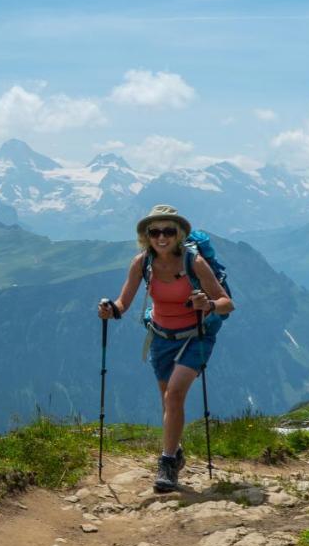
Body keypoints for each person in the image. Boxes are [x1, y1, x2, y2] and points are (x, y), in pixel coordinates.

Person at [97, 205, 234, 493]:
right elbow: (124, 303)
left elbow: (226, 303)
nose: (161, 237)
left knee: (174, 395)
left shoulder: (193, 262)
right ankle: (177, 451)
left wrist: (207, 305)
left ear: (179, 233)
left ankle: (167, 463)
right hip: (160, 337)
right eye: (155, 231)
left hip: (196, 335)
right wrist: (111, 309)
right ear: (146, 235)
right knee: (168, 401)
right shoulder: (141, 263)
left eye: (168, 231)